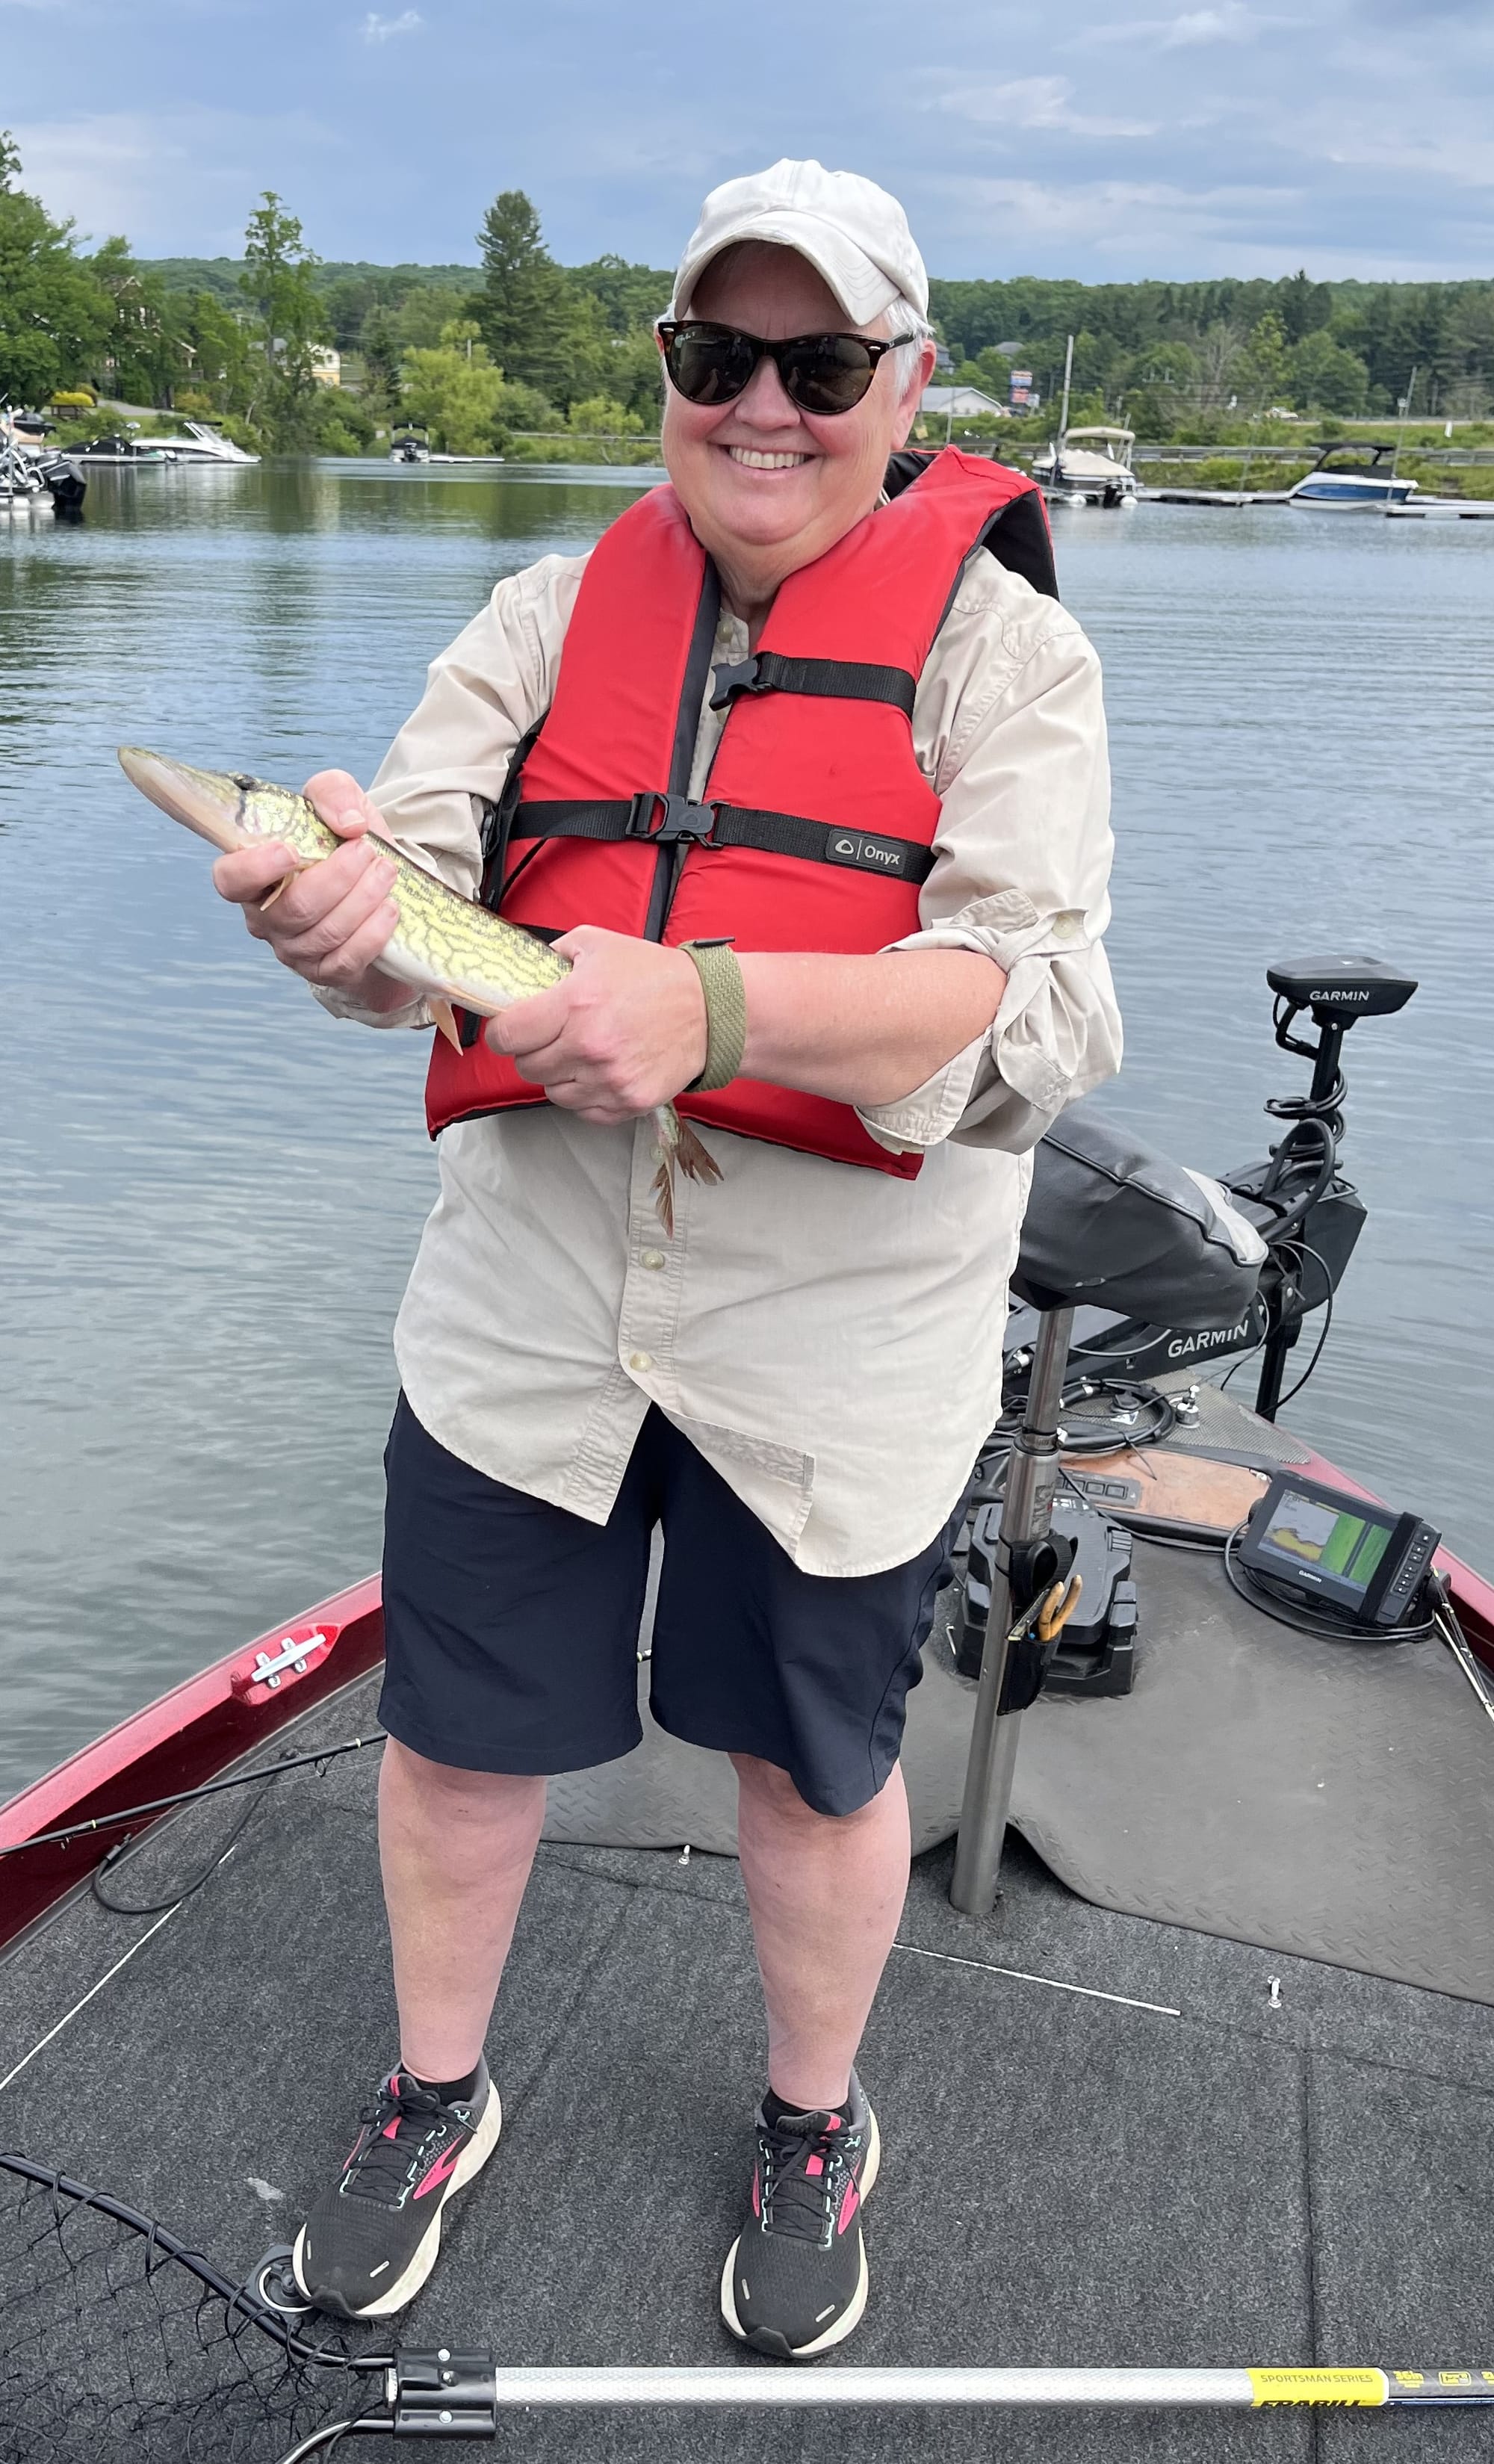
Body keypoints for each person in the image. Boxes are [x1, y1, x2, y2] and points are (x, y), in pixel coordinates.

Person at [212, 158, 1120, 2362]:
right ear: (670, 377)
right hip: (528, 1311)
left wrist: (714, 1008)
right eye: (720, 358)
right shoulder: (540, 616)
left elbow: (1045, 1005)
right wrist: (338, 915)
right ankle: (441, 2086)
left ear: (905, 385)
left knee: (813, 1764)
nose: (765, 410)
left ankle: (818, 2116)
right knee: (452, 1735)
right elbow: (410, 881)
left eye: (819, 364)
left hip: (837, 1349)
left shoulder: (1012, 651)